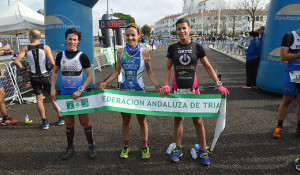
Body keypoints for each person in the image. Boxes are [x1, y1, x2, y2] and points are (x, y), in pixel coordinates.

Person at [162, 18, 229, 165]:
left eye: (184, 28)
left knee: (198, 121)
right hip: (177, 90)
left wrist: (219, 84)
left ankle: (203, 150)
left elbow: (208, 67)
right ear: (176, 31)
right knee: (178, 120)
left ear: (190, 29)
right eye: (179, 29)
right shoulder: (172, 48)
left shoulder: (197, 48)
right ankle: (178, 148)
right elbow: (168, 68)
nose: (182, 31)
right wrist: (165, 84)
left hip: (193, 91)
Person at [99, 23, 163, 159]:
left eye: (133, 35)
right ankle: (126, 146)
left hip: (139, 92)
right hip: (124, 92)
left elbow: (150, 73)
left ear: (138, 36)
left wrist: (158, 86)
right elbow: (117, 71)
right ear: (124, 36)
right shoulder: (120, 52)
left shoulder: (144, 53)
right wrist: (106, 81)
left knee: (142, 121)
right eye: (127, 35)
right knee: (126, 121)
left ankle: (145, 146)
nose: (130, 37)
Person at [50, 28, 96, 160]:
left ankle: (91, 144)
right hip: (65, 95)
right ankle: (70, 147)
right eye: (70, 39)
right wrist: (53, 88)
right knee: (69, 124)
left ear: (78, 41)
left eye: (74, 40)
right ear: (65, 40)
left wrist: (80, 90)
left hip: (80, 95)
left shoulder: (82, 56)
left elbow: (90, 76)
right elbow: (55, 72)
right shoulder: (60, 55)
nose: (72, 42)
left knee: (85, 123)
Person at [14, 30, 63, 129]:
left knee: (39, 99)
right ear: (39, 37)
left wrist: (25, 69)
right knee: (53, 97)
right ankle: (60, 118)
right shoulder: (45, 47)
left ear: (31, 37)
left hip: (34, 77)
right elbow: (52, 63)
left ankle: (45, 122)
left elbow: (16, 61)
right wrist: (49, 70)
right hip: (45, 76)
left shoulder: (26, 48)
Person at [273, 22, 300, 140]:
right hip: (292, 74)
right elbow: (283, 56)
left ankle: (299, 127)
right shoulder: (290, 36)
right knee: (287, 100)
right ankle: (279, 126)